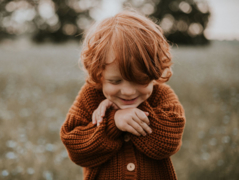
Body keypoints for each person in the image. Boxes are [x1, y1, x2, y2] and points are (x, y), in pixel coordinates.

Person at [60, 10, 186, 180]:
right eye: (115, 81)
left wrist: (133, 114)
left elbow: (168, 143)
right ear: (99, 74)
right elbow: (76, 148)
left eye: (140, 80)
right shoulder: (90, 96)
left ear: (154, 72)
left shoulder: (162, 95)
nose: (128, 91)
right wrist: (113, 122)